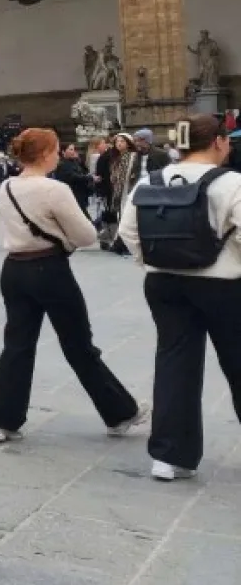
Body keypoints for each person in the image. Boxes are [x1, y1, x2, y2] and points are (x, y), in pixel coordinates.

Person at [0, 128, 146, 444]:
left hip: (14, 269)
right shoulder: (54, 189)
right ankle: (119, 413)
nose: (59, 155)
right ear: (46, 154)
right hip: (49, 269)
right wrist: (64, 237)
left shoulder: (7, 186)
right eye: (57, 149)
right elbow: (86, 235)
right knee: (78, 345)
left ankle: (2, 421)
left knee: (17, 345)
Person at [119, 115, 241, 481]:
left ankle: (170, 456)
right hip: (223, 285)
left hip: (164, 284)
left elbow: (128, 231)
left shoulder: (150, 181)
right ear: (218, 142)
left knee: (174, 361)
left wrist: (153, 262)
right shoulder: (232, 182)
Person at [53, 142, 95, 215]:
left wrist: (78, 160)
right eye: (71, 149)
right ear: (63, 152)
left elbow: (84, 171)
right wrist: (90, 178)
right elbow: (73, 177)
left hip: (80, 195)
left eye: (74, 149)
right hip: (72, 196)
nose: (73, 152)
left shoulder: (74, 161)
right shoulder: (62, 164)